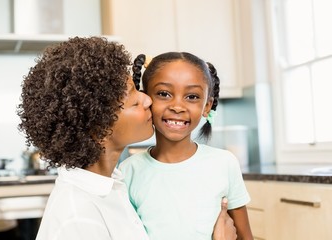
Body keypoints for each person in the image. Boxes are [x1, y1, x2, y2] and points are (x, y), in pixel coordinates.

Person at [17, 36, 154, 240]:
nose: (147, 99)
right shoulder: (79, 218)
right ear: (99, 128)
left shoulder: (111, 186)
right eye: (134, 101)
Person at [119, 52, 253, 240]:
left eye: (191, 96)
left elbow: (245, 237)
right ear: (146, 98)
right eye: (164, 94)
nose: (177, 106)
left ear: (207, 106)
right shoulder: (127, 172)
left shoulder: (224, 163)